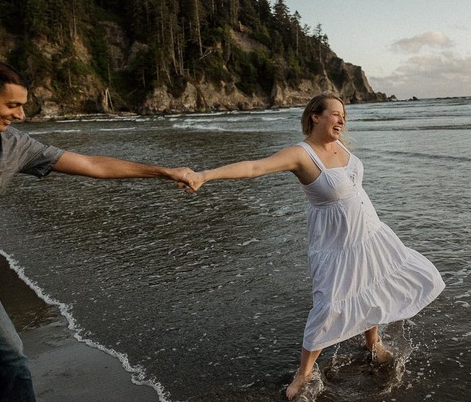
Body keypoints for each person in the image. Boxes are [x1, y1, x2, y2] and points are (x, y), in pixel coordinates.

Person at [0, 62, 198, 401]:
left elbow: (91, 164)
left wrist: (164, 172)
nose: (20, 115)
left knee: (10, 356)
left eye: (22, 105)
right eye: (12, 105)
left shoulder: (15, 146)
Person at [186, 92, 445, 400]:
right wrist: (204, 176)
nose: (342, 120)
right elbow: (254, 168)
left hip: (370, 233)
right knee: (328, 306)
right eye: (335, 114)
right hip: (335, 245)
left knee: (373, 285)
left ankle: (372, 342)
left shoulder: (339, 145)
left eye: (344, 115)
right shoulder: (301, 154)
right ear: (316, 116)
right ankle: (304, 373)